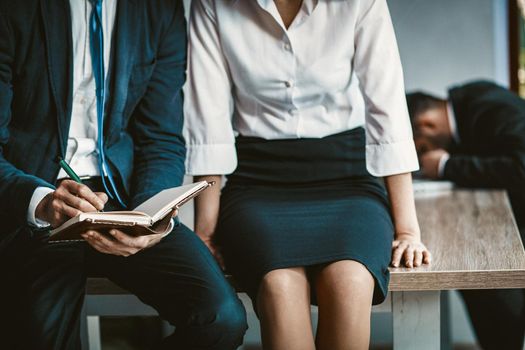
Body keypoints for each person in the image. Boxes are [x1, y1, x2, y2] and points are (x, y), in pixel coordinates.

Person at [0, 0, 247, 349]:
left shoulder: (160, 9)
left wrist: (150, 216)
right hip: (33, 201)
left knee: (220, 320)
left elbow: (160, 137)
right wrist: (41, 203)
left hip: (123, 198)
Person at [185, 0, 431, 349]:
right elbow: (206, 121)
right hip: (259, 184)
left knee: (350, 282)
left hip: (348, 180)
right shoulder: (212, 4)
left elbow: (388, 110)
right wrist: (205, 233)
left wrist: (408, 229)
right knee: (279, 286)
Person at [407, 80, 525, 350]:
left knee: (488, 279)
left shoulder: (490, 110)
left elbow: (522, 168)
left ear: (427, 125)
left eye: (422, 148)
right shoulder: (468, 106)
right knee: (473, 268)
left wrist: (447, 166)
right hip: (508, 220)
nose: (423, 159)